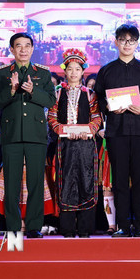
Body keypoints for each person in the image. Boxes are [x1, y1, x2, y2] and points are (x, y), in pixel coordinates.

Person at [0, 33, 56, 238]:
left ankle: (34, 226)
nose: (23, 49)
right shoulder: (2, 73)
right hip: (11, 134)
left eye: (27, 45)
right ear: (11, 49)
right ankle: (12, 226)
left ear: (32, 48)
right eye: (18, 46)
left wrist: (33, 91)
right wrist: (11, 90)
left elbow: (50, 100)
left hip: (36, 134)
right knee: (11, 182)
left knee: (36, 181)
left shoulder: (43, 73)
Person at [94, 24, 140, 237]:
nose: (127, 44)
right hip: (116, 131)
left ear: (137, 43)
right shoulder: (106, 70)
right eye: (123, 40)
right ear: (116, 42)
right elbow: (98, 98)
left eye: (131, 40)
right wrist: (109, 107)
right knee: (119, 180)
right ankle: (122, 226)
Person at [47, 49, 102, 237]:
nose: (73, 73)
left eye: (77, 69)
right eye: (70, 69)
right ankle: (68, 229)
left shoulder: (90, 94)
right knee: (66, 182)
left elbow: (96, 118)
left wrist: (89, 131)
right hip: (65, 146)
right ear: (65, 71)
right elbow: (52, 117)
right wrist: (62, 131)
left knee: (87, 182)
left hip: (86, 145)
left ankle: (86, 229)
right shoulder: (57, 93)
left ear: (83, 71)